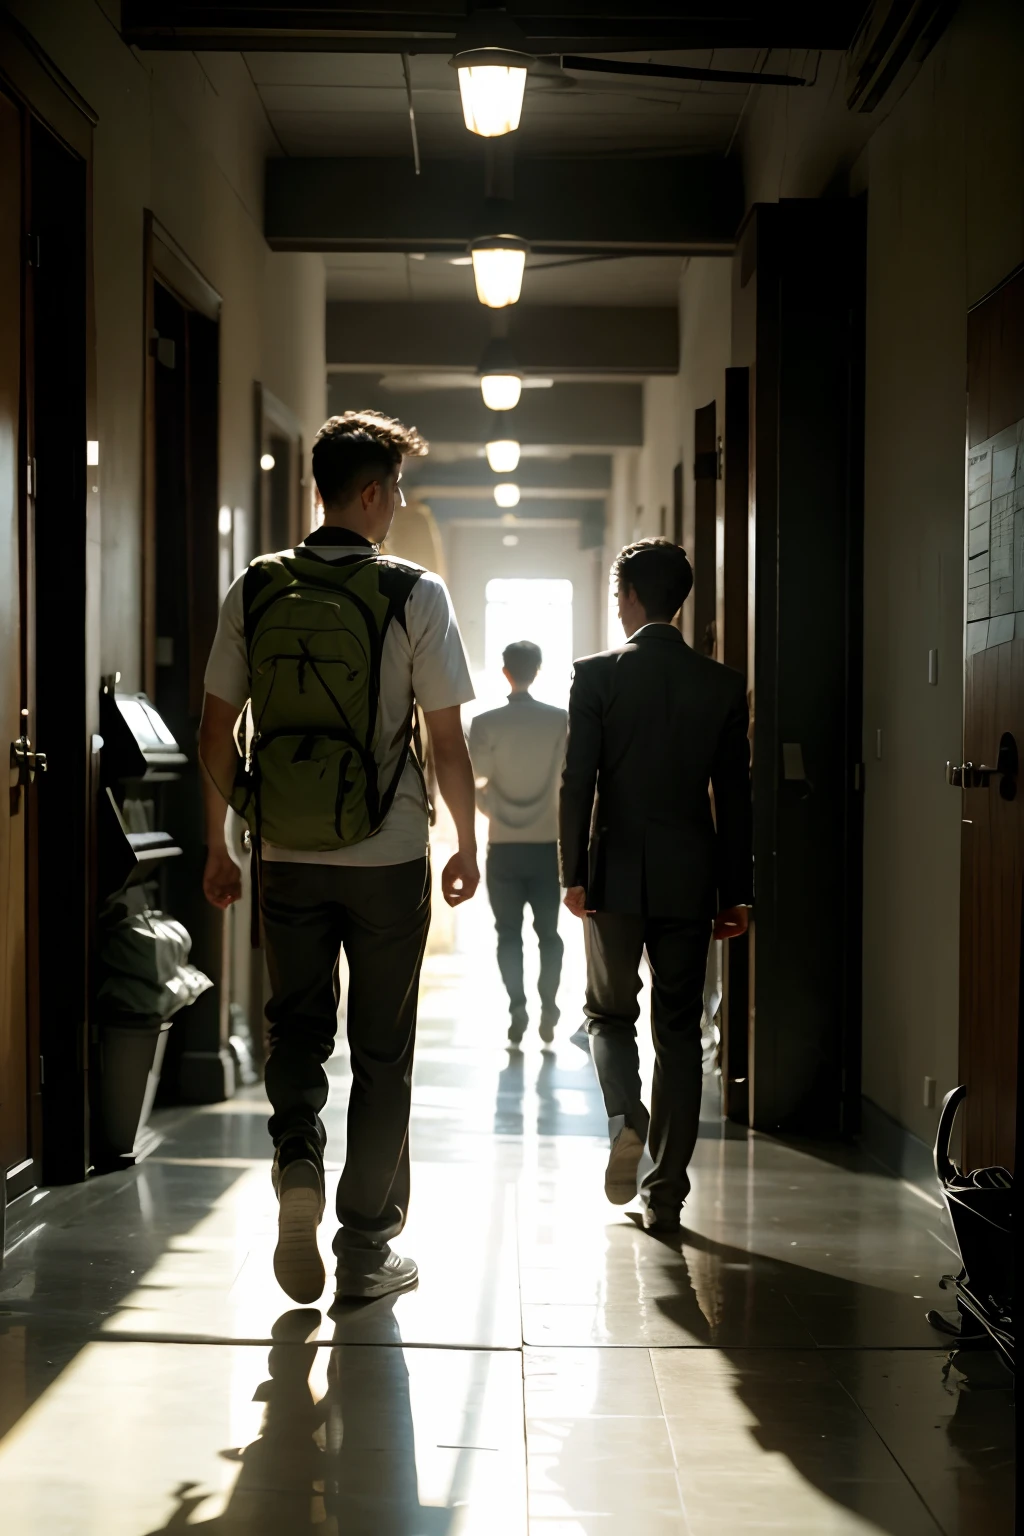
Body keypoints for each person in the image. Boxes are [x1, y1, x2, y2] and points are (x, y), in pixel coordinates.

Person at [198, 410, 479, 1307]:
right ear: (369, 493)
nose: (397, 505)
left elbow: (213, 731)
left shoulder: (255, 586)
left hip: (286, 852)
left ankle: (296, 1173)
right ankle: (364, 1245)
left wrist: (234, 830)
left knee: (295, 1028)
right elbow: (446, 743)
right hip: (388, 856)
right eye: (394, 490)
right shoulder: (414, 592)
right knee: (384, 1049)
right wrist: (464, 843)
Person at [559, 538, 752, 1233]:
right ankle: (666, 1192)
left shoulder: (596, 675)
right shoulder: (722, 685)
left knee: (608, 1016)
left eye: (617, 596)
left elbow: (579, 779)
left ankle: (626, 1116)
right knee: (678, 1029)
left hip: (614, 872)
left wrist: (572, 874)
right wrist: (736, 892)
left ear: (632, 597)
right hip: (691, 875)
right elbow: (734, 796)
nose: (616, 608)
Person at [468, 641, 568, 1046]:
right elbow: (571, 782)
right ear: (538, 670)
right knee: (549, 935)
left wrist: (493, 810)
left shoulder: (486, 723)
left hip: (503, 846)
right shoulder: (560, 720)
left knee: (508, 934)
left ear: (505, 671)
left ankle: (517, 1008)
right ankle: (549, 1006)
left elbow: (475, 781)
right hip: (547, 845)